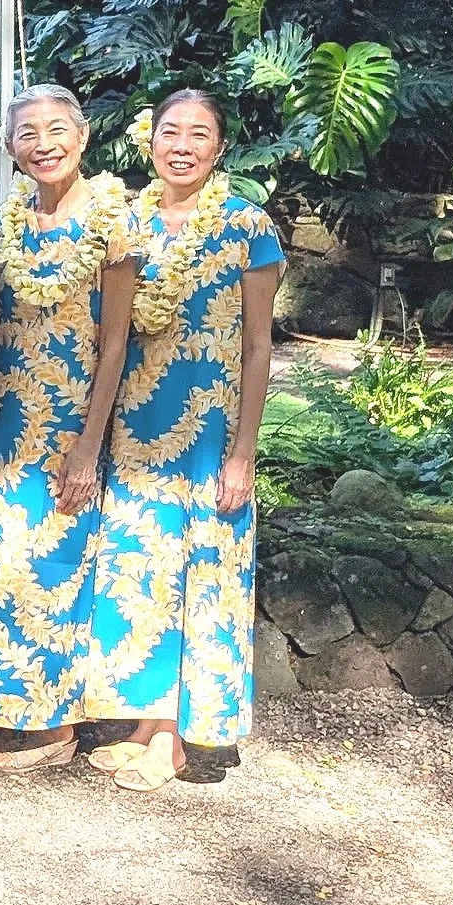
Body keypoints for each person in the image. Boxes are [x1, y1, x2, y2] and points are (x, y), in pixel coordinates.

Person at [88, 89, 282, 791]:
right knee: (144, 569)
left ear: (219, 148)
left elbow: (259, 347)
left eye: (198, 135)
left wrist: (242, 452)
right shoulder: (126, 222)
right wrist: (94, 436)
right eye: (171, 131)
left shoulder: (246, 225)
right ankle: (147, 714)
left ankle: (177, 734)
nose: (182, 145)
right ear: (150, 141)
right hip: (139, 428)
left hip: (209, 433)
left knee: (201, 574)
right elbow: (111, 341)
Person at [0, 83, 137, 773]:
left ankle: (56, 719)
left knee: (61, 559)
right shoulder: (2, 223)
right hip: (7, 417)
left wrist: (87, 445)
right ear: (10, 147)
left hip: (74, 415)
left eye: (55, 129)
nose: (43, 144)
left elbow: (116, 343)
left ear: (83, 136)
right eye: (27, 133)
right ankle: (13, 707)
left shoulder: (112, 222)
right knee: (7, 562)